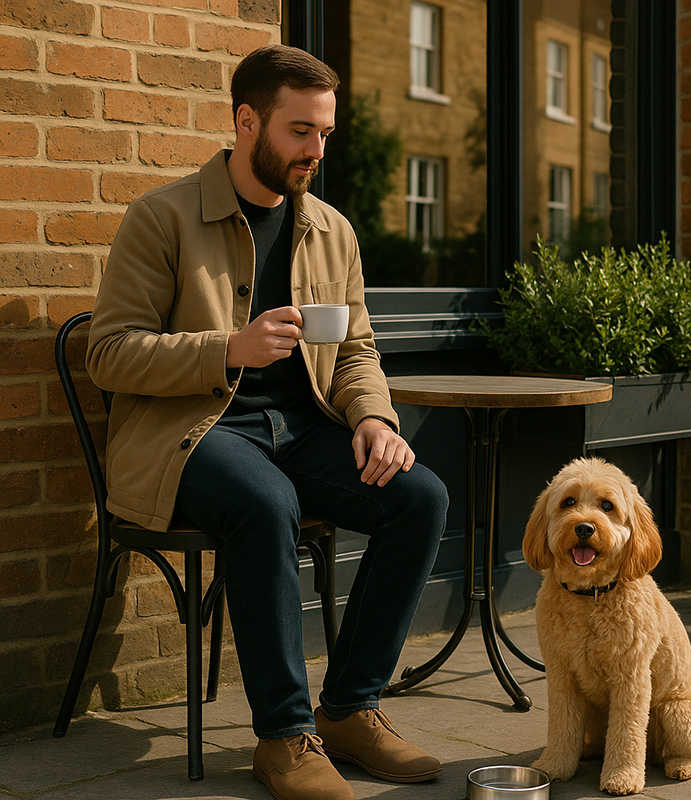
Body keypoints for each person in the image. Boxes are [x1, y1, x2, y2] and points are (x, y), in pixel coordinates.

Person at [86, 44, 449, 800]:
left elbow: (355, 350)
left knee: (420, 496)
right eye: (300, 131)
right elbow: (110, 355)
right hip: (193, 436)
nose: (316, 151)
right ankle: (284, 736)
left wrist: (374, 417)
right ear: (247, 122)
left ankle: (350, 708)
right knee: (265, 501)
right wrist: (229, 348)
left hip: (302, 429)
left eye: (324, 134)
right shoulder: (163, 218)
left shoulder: (332, 232)